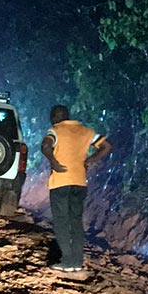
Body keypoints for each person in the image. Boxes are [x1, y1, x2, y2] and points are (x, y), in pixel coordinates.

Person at [41, 104, 111, 273]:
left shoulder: (55, 130)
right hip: (79, 182)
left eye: (52, 117)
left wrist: (53, 161)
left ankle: (66, 261)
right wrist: (90, 160)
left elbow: (45, 146)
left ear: (56, 117)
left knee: (62, 222)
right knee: (75, 221)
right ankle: (77, 261)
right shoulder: (86, 131)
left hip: (60, 182)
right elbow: (107, 146)